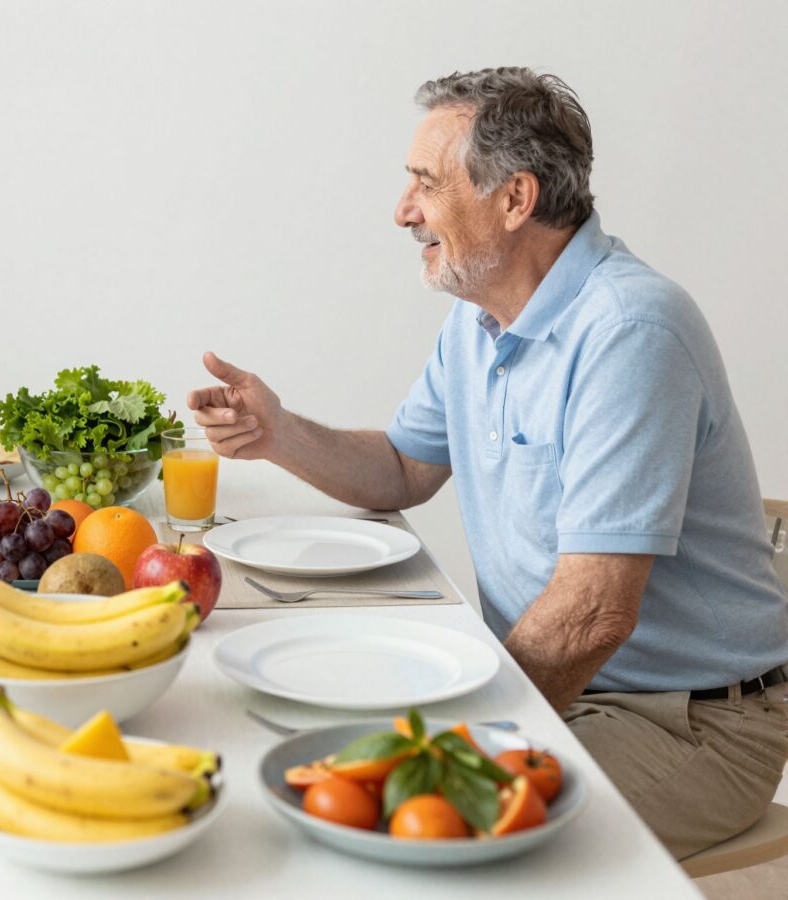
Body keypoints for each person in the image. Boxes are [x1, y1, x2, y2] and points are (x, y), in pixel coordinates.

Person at [188, 67, 788, 858]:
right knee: (314, 752)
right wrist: (277, 432)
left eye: (426, 184)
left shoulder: (630, 332)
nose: (403, 211)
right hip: (568, 687)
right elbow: (402, 468)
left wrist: (449, 728)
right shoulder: (481, 322)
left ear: (515, 199)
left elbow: (593, 613)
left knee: (409, 816)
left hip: (690, 721)